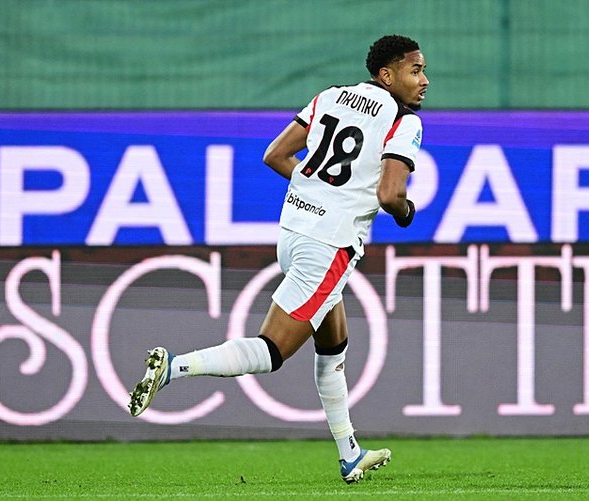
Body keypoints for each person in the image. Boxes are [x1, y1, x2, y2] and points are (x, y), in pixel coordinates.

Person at [128, 34, 428, 484]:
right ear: (386, 75)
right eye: (415, 70)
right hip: (329, 245)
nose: (424, 80)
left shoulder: (331, 96)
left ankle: (349, 453)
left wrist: (316, 188)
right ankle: (174, 367)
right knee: (272, 351)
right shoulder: (403, 121)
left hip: (292, 232)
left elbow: (276, 155)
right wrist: (406, 212)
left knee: (333, 344)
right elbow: (390, 195)